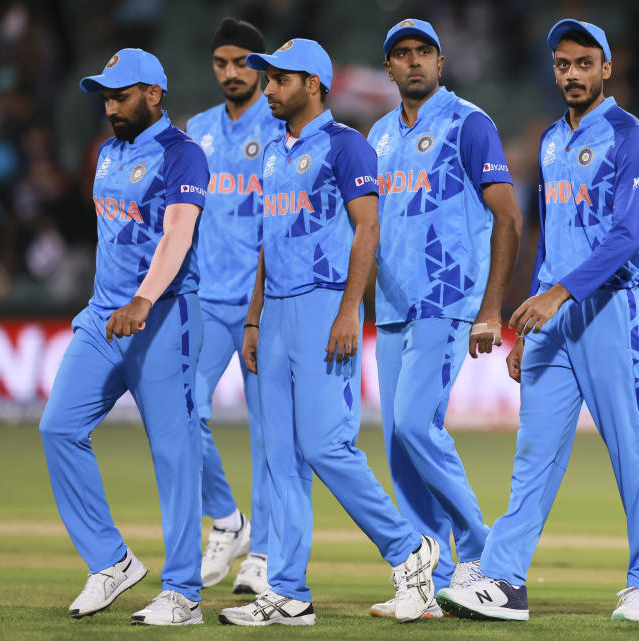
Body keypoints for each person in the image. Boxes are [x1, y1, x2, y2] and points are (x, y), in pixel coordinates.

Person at [436, 20, 639, 623]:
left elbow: (626, 237)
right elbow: (548, 234)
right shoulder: (549, 140)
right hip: (553, 315)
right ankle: (505, 583)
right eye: (563, 64)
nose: (572, 74)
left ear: (606, 68)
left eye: (584, 63)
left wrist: (557, 296)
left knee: (630, 448)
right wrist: (533, 317)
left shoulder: (629, 134)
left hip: (608, 309)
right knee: (533, 454)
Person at [216, 38, 438, 626]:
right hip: (279, 313)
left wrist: (347, 311)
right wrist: (255, 316)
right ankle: (289, 592)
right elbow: (268, 238)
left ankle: (408, 549)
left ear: (312, 84)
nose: (267, 89)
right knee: (281, 458)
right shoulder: (272, 153)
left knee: (324, 446)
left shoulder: (347, 147)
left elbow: (369, 229)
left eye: (278, 81)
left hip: (323, 306)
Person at [39, 48, 209, 625]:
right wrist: (108, 302)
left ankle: (183, 592)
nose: (109, 105)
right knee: (58, 425)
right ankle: (110, 561)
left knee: (173, 452)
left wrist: (143, 298)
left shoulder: (182, 154)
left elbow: (178, 233)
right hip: (104, 317)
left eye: (120, 95)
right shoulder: (108, 153)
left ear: (154, 95)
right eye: (105, 96)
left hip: (163, 317)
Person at [365, 19, 522, 618]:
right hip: (394, 309)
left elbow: (507, 216)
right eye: (400, 54)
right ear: (388, 67)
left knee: (413, 425)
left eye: (422, 53)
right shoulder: (378, 136)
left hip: (449, 300)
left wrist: (491, 309)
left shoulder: (468, 123)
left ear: (441, 59)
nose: (412, 63)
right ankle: (427, 579)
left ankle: (484, 556)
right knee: (398, 442)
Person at [185, 16, 280, 595]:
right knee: (178, 411)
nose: (230, 73)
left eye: (242, 62)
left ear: (262, 66)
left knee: (270, 433)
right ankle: (227, 519)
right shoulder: (196, 128)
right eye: (221, 63)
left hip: (263, 304)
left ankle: (264, 554)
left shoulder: (281, 126)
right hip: (204, 297)